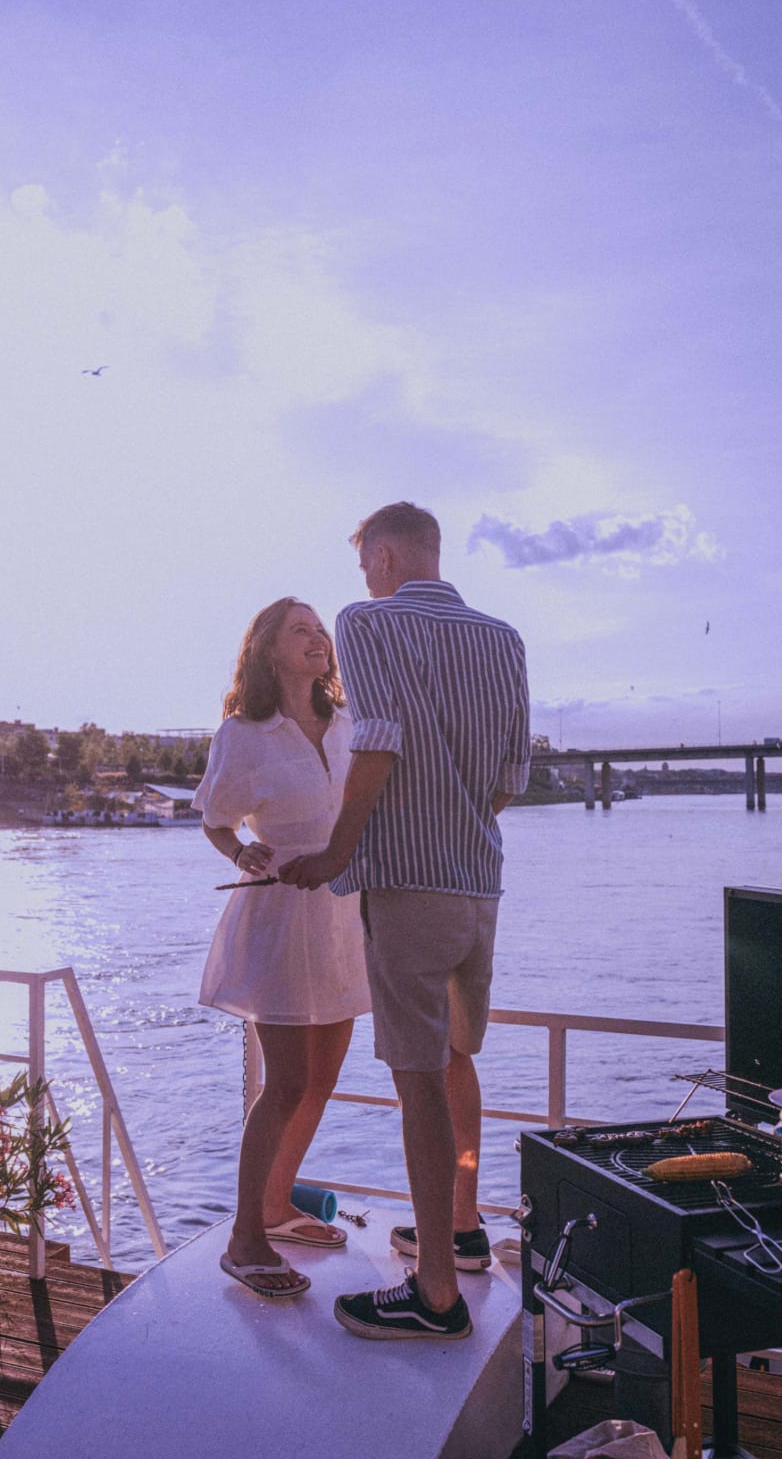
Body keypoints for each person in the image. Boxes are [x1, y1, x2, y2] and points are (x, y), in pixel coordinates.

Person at [280, 502, 530, 1340]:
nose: (365, 581)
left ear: (384, 557)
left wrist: (334, 855)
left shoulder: (368, 622)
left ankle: (435, 1294)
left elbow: (378, 741)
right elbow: (509, 780)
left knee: (416, 1079)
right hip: (479, 887)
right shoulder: (504, 639)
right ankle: (460, 1231)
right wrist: (456, 827)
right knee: (456, 1057)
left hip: (408, 888)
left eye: (366, 566)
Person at [194, 597, 372, 1300]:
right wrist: (240, 850)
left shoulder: (351, 722)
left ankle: (275, 1208)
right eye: (301, 630)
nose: (318, 638)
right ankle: (245, 1238)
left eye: (320, 628)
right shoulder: (244, 734)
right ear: (268, 650)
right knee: (288, 1081)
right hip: (281, 916)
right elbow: (215, 818)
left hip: (344, 913)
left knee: (323, 1078)